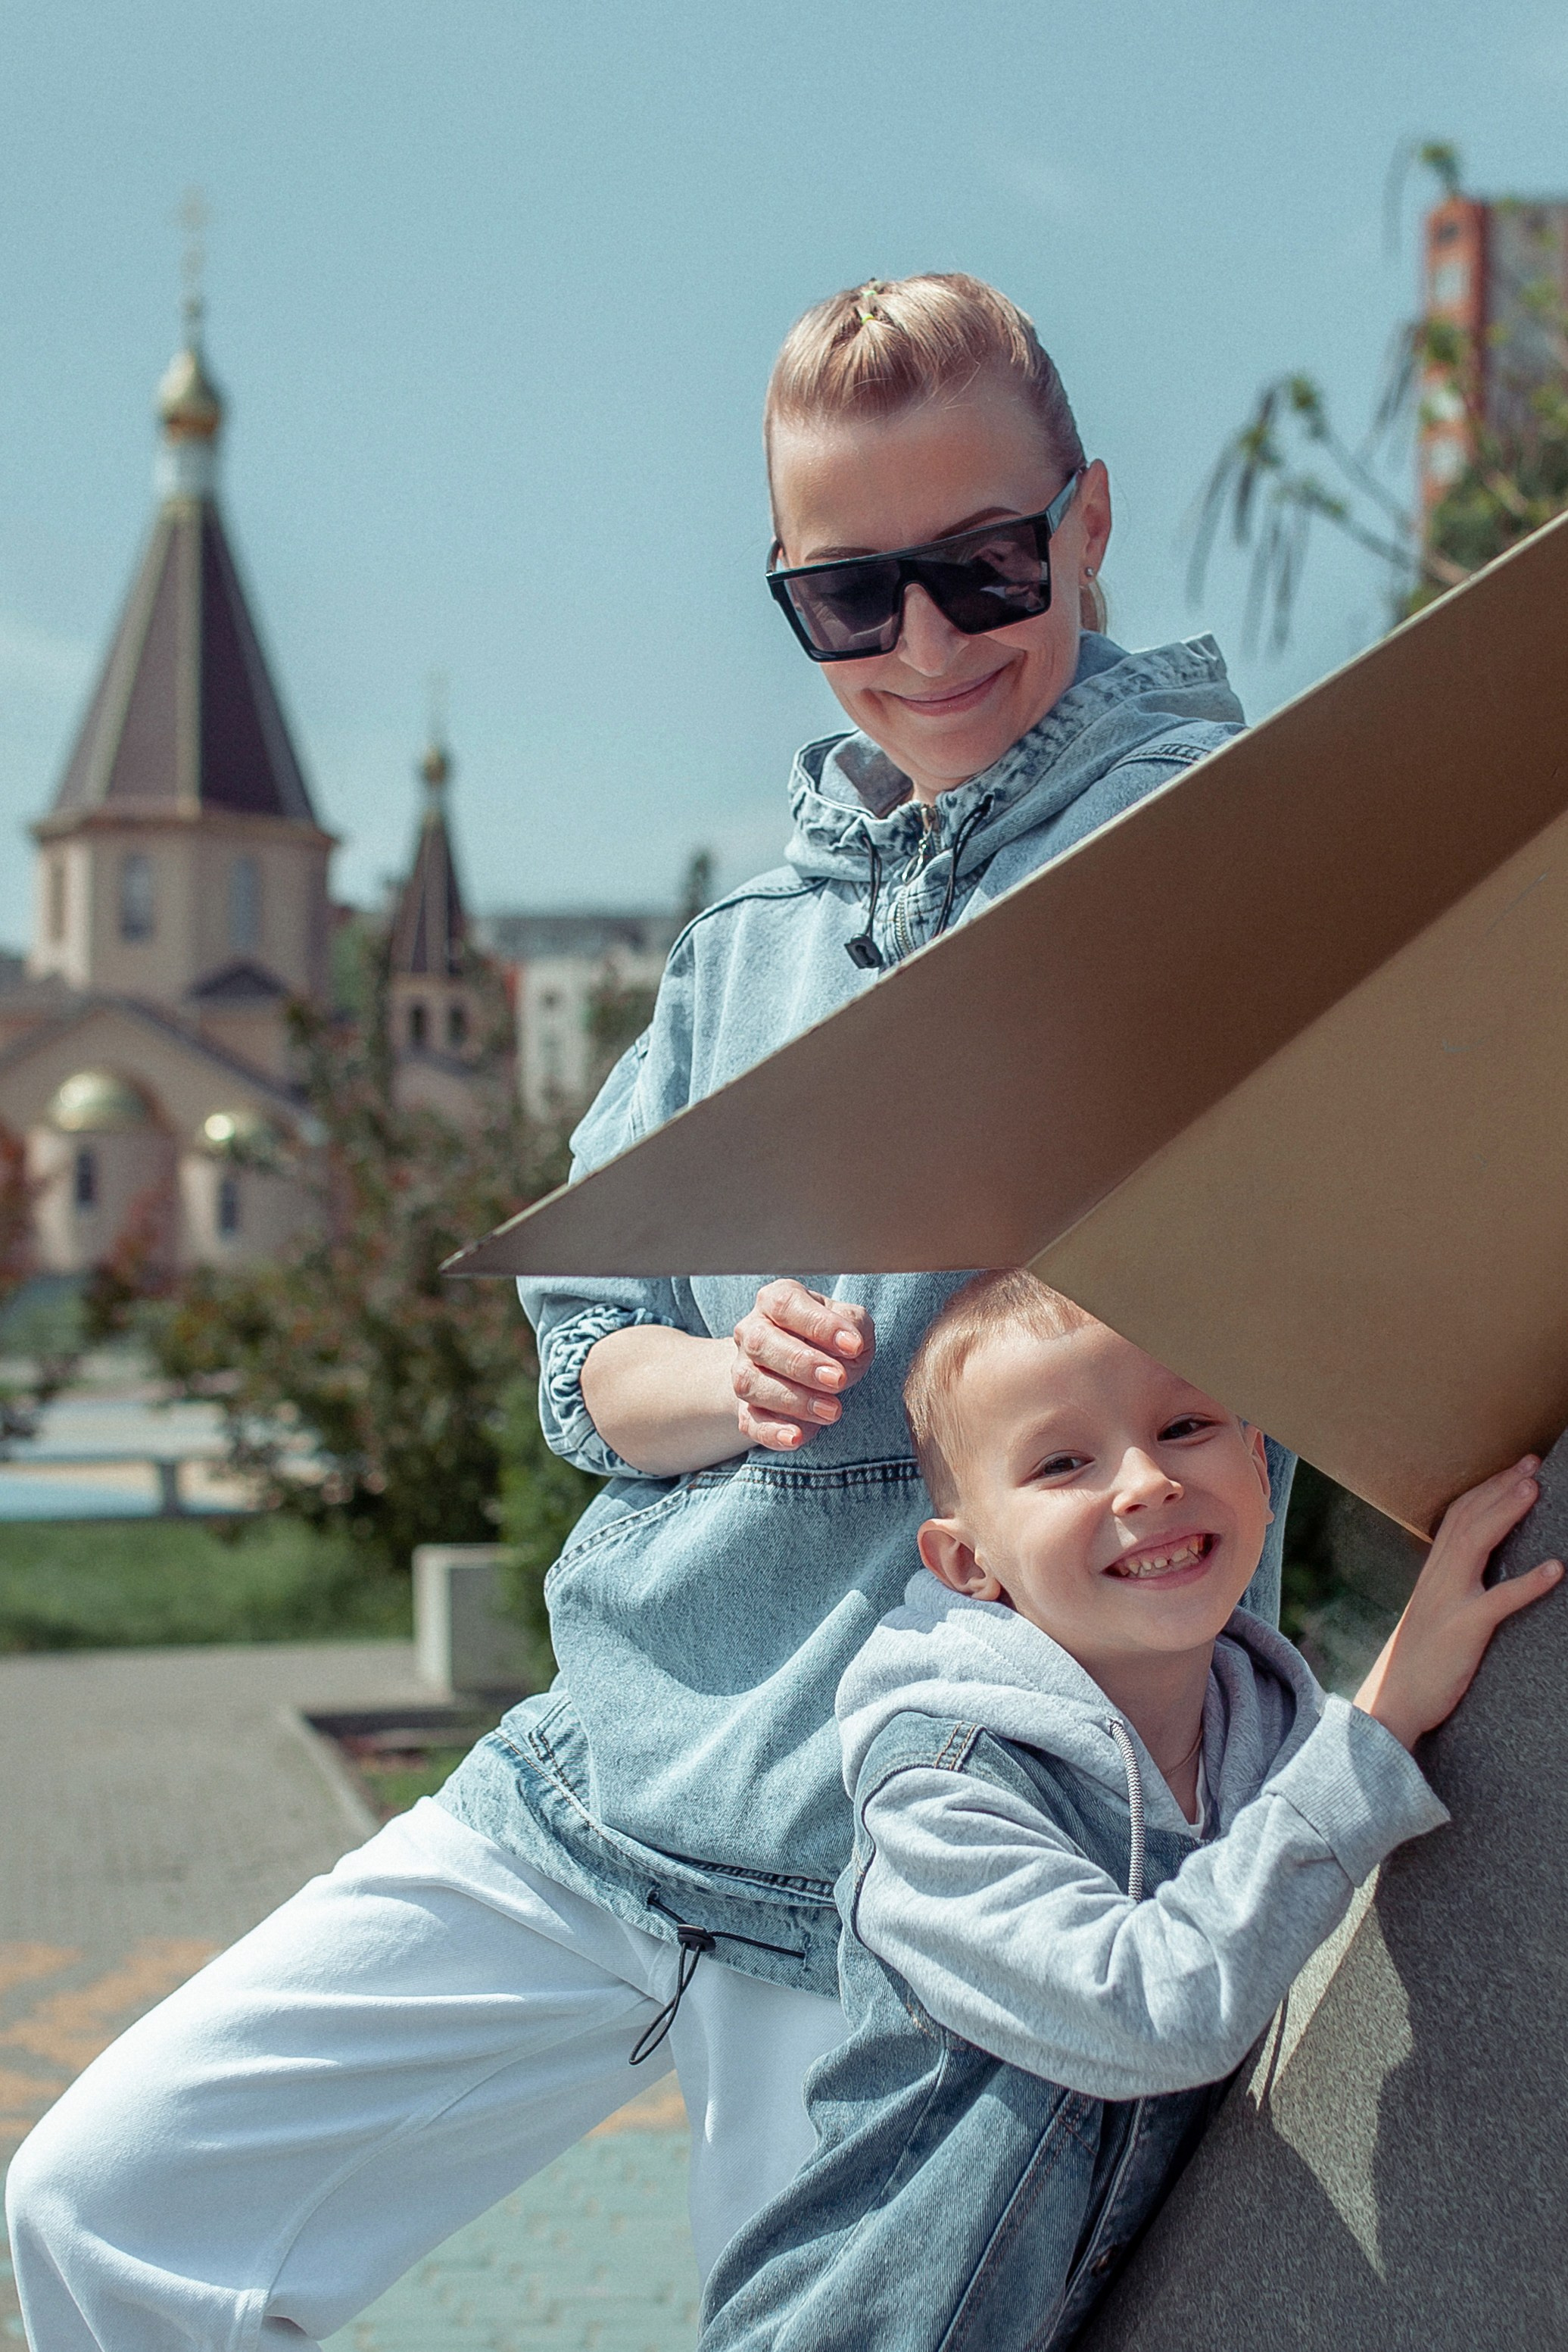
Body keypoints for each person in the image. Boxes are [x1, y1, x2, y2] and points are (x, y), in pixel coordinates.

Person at [8, 275, 1294, 2349]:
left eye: (984, 566)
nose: (933, 648)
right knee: (106, 2204)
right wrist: (726, 1369)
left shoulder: (1215, 870)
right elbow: (585, 1345)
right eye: (850, 600)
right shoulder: (750, 938)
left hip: (938, 1858)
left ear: (1089, 522)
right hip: (611, 1782)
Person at [698, 1272, 1563, 2352]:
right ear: (968, 1562)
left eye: (1186, 1424)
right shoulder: (940, 1790)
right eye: (1064, 1462)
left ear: (1259, 1460)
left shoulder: (1267, 1733)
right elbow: (1156, 2009)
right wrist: (1382, 1725)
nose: (1146, 1480)